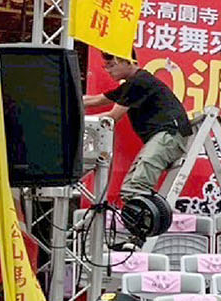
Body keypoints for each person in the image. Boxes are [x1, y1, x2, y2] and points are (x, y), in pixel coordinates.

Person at [82, 52, 194, 200]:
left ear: (127, 61)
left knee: (135, 189)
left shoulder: (139, 82)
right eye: (105, 66)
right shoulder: (132, 83)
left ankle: (148, 221)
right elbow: (96, 100)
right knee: (130, 190)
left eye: (111, 65)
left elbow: (113, 117)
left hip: (168, 136)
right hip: (165, 137)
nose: (108, 70)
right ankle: (141, 219)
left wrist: (78, 121)